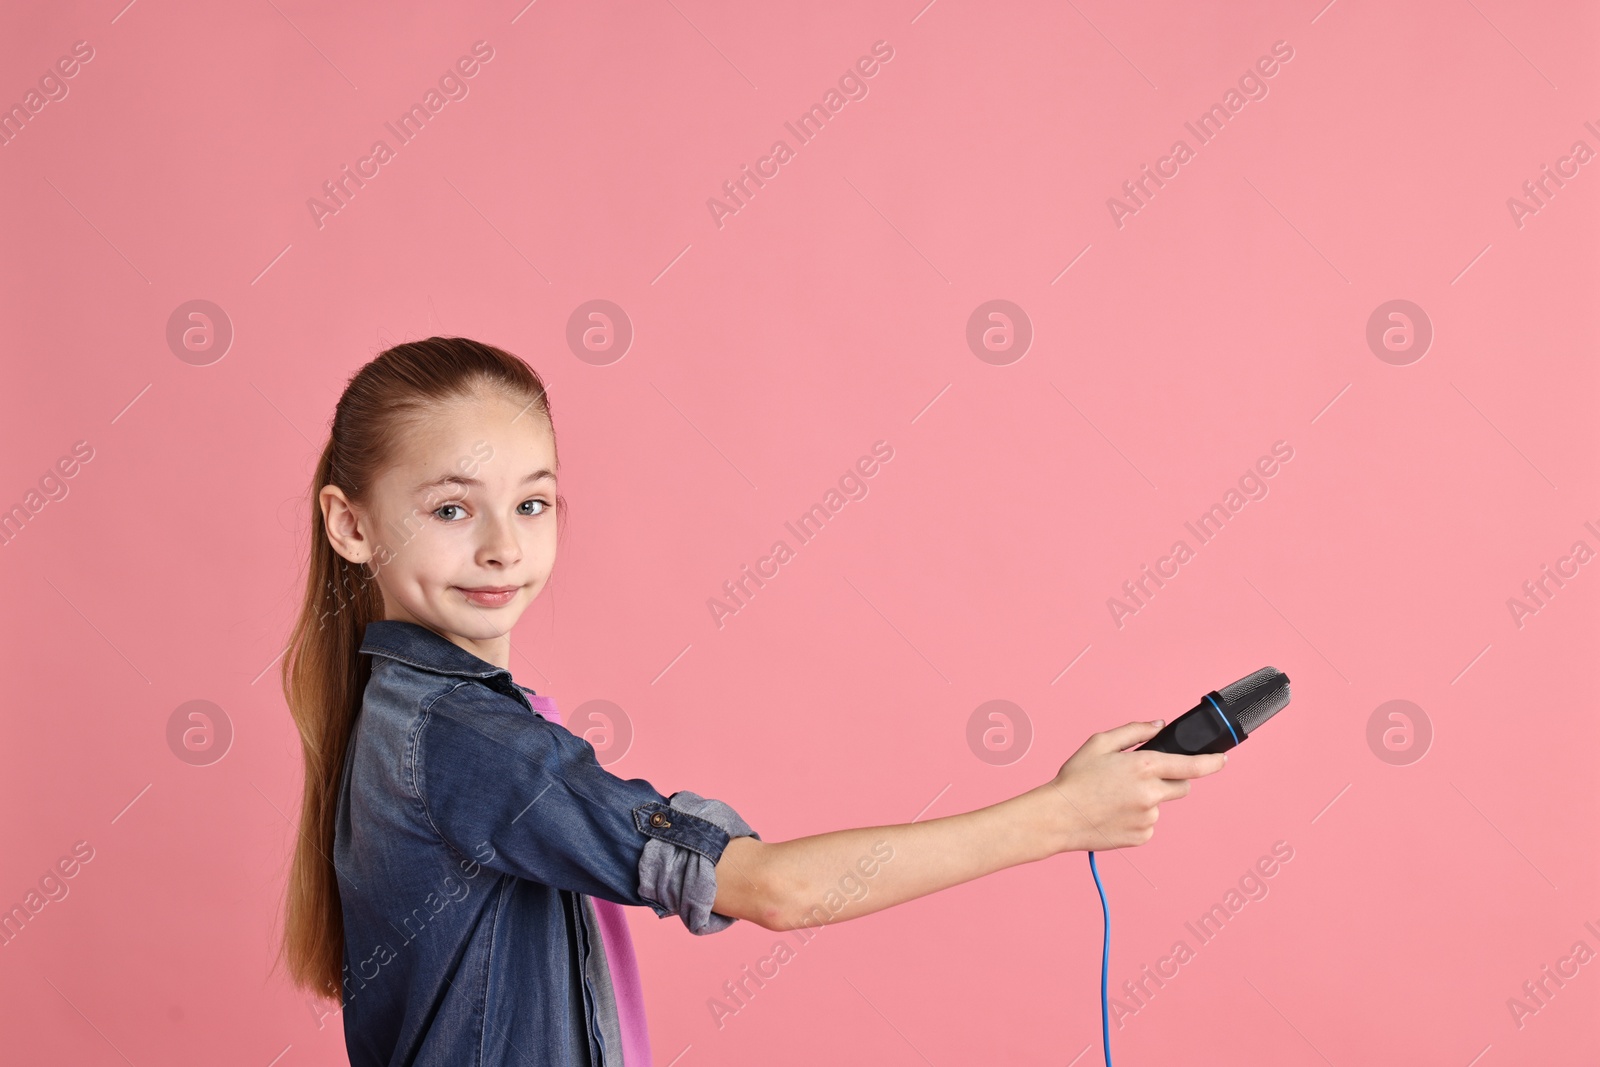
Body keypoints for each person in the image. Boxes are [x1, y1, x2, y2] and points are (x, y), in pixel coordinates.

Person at [274, 336, 1227, 1066]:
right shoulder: (473, 742)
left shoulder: (420, 717)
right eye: (451, 508)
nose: (502, 547)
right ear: (351, 524)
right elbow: (775, 887)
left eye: (532, 503)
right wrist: (1062, 817)